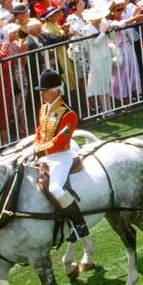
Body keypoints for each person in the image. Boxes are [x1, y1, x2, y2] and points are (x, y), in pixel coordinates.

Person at [31, 68, 95, 263]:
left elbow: (60, 142)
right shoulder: (43, 109)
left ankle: (79, 225)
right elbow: (39, 133)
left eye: (44, 90)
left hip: (61, 157)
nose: (41, 94)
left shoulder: (68, 114)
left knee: (55, 188)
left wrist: (40, 149)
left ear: (55, 91)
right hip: (44, 155)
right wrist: (35, 146)